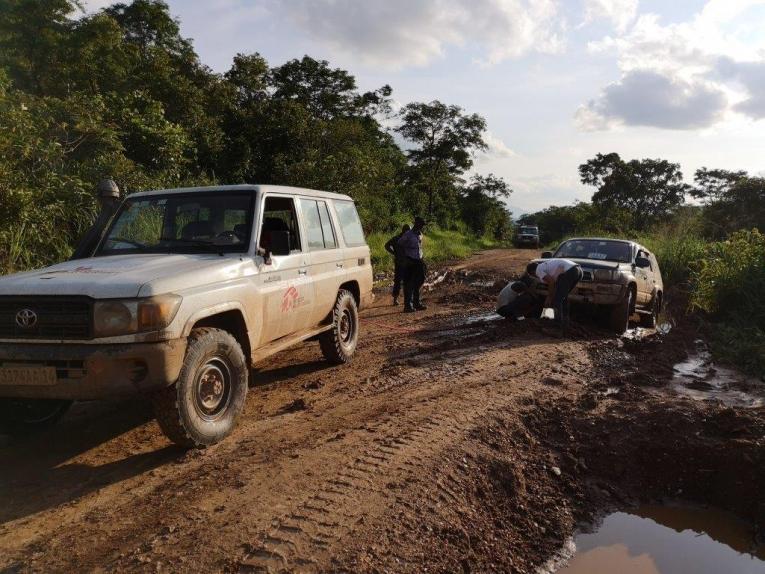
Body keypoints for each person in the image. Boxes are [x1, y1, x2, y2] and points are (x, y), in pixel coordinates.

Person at [526, 258, 583, 328]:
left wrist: (549, 297)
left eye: (533, 276)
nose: (536, 277)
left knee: (557, 300)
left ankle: (557, 327)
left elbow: (551, 282)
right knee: (562, 298)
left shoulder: (538, 270)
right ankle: (565, 323)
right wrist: (550, 296)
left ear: (532, 272)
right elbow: (554, 284)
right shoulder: (546, 266)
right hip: (578, 270)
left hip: (569, 272)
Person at [398, 216, 427, 313]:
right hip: (410, 261)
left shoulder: (420, 234)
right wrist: (404, 258)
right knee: (409, 283)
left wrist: (422, 259)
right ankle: (408, 306)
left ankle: (416, 303)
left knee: (420, 280)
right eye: (421, 224)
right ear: (416, 223)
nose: (422, 226)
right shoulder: (408, 234)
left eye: (423, 225)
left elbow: (419, 248)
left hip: (419, 260)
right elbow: (399, 244)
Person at [384, 224, 411, 306]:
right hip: (401, 263)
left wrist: (394, 253)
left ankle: (403, 300)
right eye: (408, 231)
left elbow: (387, 245)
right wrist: (394, 253)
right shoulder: (398, 239)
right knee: (400, 281)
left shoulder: (399, 238)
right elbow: (386, 245)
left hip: (405, 262)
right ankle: (398, 299)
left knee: (400, 281)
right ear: (405, 231)